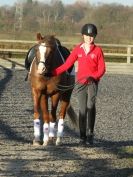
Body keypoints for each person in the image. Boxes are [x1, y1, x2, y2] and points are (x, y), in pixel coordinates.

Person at [52, 23, 106, 146]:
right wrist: (53, 72)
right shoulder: (78, 49)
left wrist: (94, 76)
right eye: (87, 35)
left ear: (94, 37)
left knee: (90, 106)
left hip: (92, 82)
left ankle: (90, 133)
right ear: (83, 36)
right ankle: (82, 136)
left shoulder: (98, 51)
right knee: (82, 109)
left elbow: (102, 69)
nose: (89, 38)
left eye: (92, 36)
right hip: (81, 83)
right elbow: (67, 65)